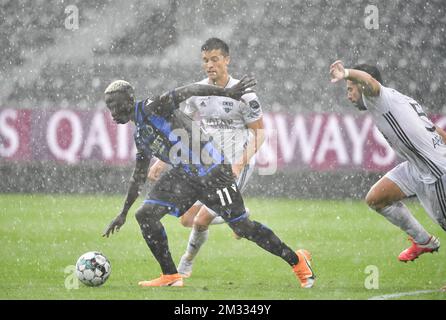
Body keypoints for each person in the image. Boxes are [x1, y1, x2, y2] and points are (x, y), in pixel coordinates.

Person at [102, 77, 315, 288]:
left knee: (242, 226)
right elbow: (138, 175)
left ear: (130, 99)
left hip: (212, 171)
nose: (112, 111)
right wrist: (123, 213)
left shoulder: (153, 106)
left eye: (116, 104)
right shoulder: (140, 135)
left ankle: (297, 261)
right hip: (185, 175)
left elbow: (189, 89)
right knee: (145, 215)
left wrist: (227, 93)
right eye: (108, 106)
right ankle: (170, 276)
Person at [147, 38, 265, 278]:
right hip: (208, 165)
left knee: (201, 221)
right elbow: (182, 130)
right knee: (187, 220)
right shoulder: (197, 93)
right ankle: (240, 218)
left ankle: (185, 265)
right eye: (205, 60)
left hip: (235, 165)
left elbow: (260, 133)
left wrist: (239, 163)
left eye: (215, 59)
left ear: (227, 60)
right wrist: (162, 160)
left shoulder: (245, 95)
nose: (210, 65)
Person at [330, 60, 446, 262]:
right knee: (376, 199)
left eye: (350, 89)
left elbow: (369, 81)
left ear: (362, 86)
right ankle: (423, 241)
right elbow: (435, 130)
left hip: (435, 170)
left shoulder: (377, 97)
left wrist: (346, 72)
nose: (348, 95)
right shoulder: (399, 98)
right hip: (416, 166)